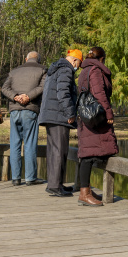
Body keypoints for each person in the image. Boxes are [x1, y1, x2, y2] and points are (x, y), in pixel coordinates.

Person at [76, 46, 117, 207]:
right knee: (88, 155)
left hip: (87, 116)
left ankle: (85, 190)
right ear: (102, 59)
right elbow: (99, 93)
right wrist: (108, 113)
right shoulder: (95, 70)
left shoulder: (85, 70)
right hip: (95, 116)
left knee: (88, 151)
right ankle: (84, 193)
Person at [39, 49, 82, 197]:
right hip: (58, 115)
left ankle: (56, 183)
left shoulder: (55, 69)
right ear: (75, 60)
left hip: (50, 114)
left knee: (54, 151)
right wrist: (70, 113)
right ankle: (54, 186)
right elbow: (63, 92)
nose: (78, 67)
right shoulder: (66, 70)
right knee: (59, 151)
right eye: (79, 64)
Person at [1, 51, 46, 186]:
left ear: (26, 59)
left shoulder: (14, 71)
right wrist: (28, 96)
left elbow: (4, 88)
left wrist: (15, 96)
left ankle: (15, 178)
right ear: (38, 59)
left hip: (15, 110)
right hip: (30, 109)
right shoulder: (43, 70)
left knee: (14, 144)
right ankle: (30, 178)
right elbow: (43, 87)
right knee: (30, 143)